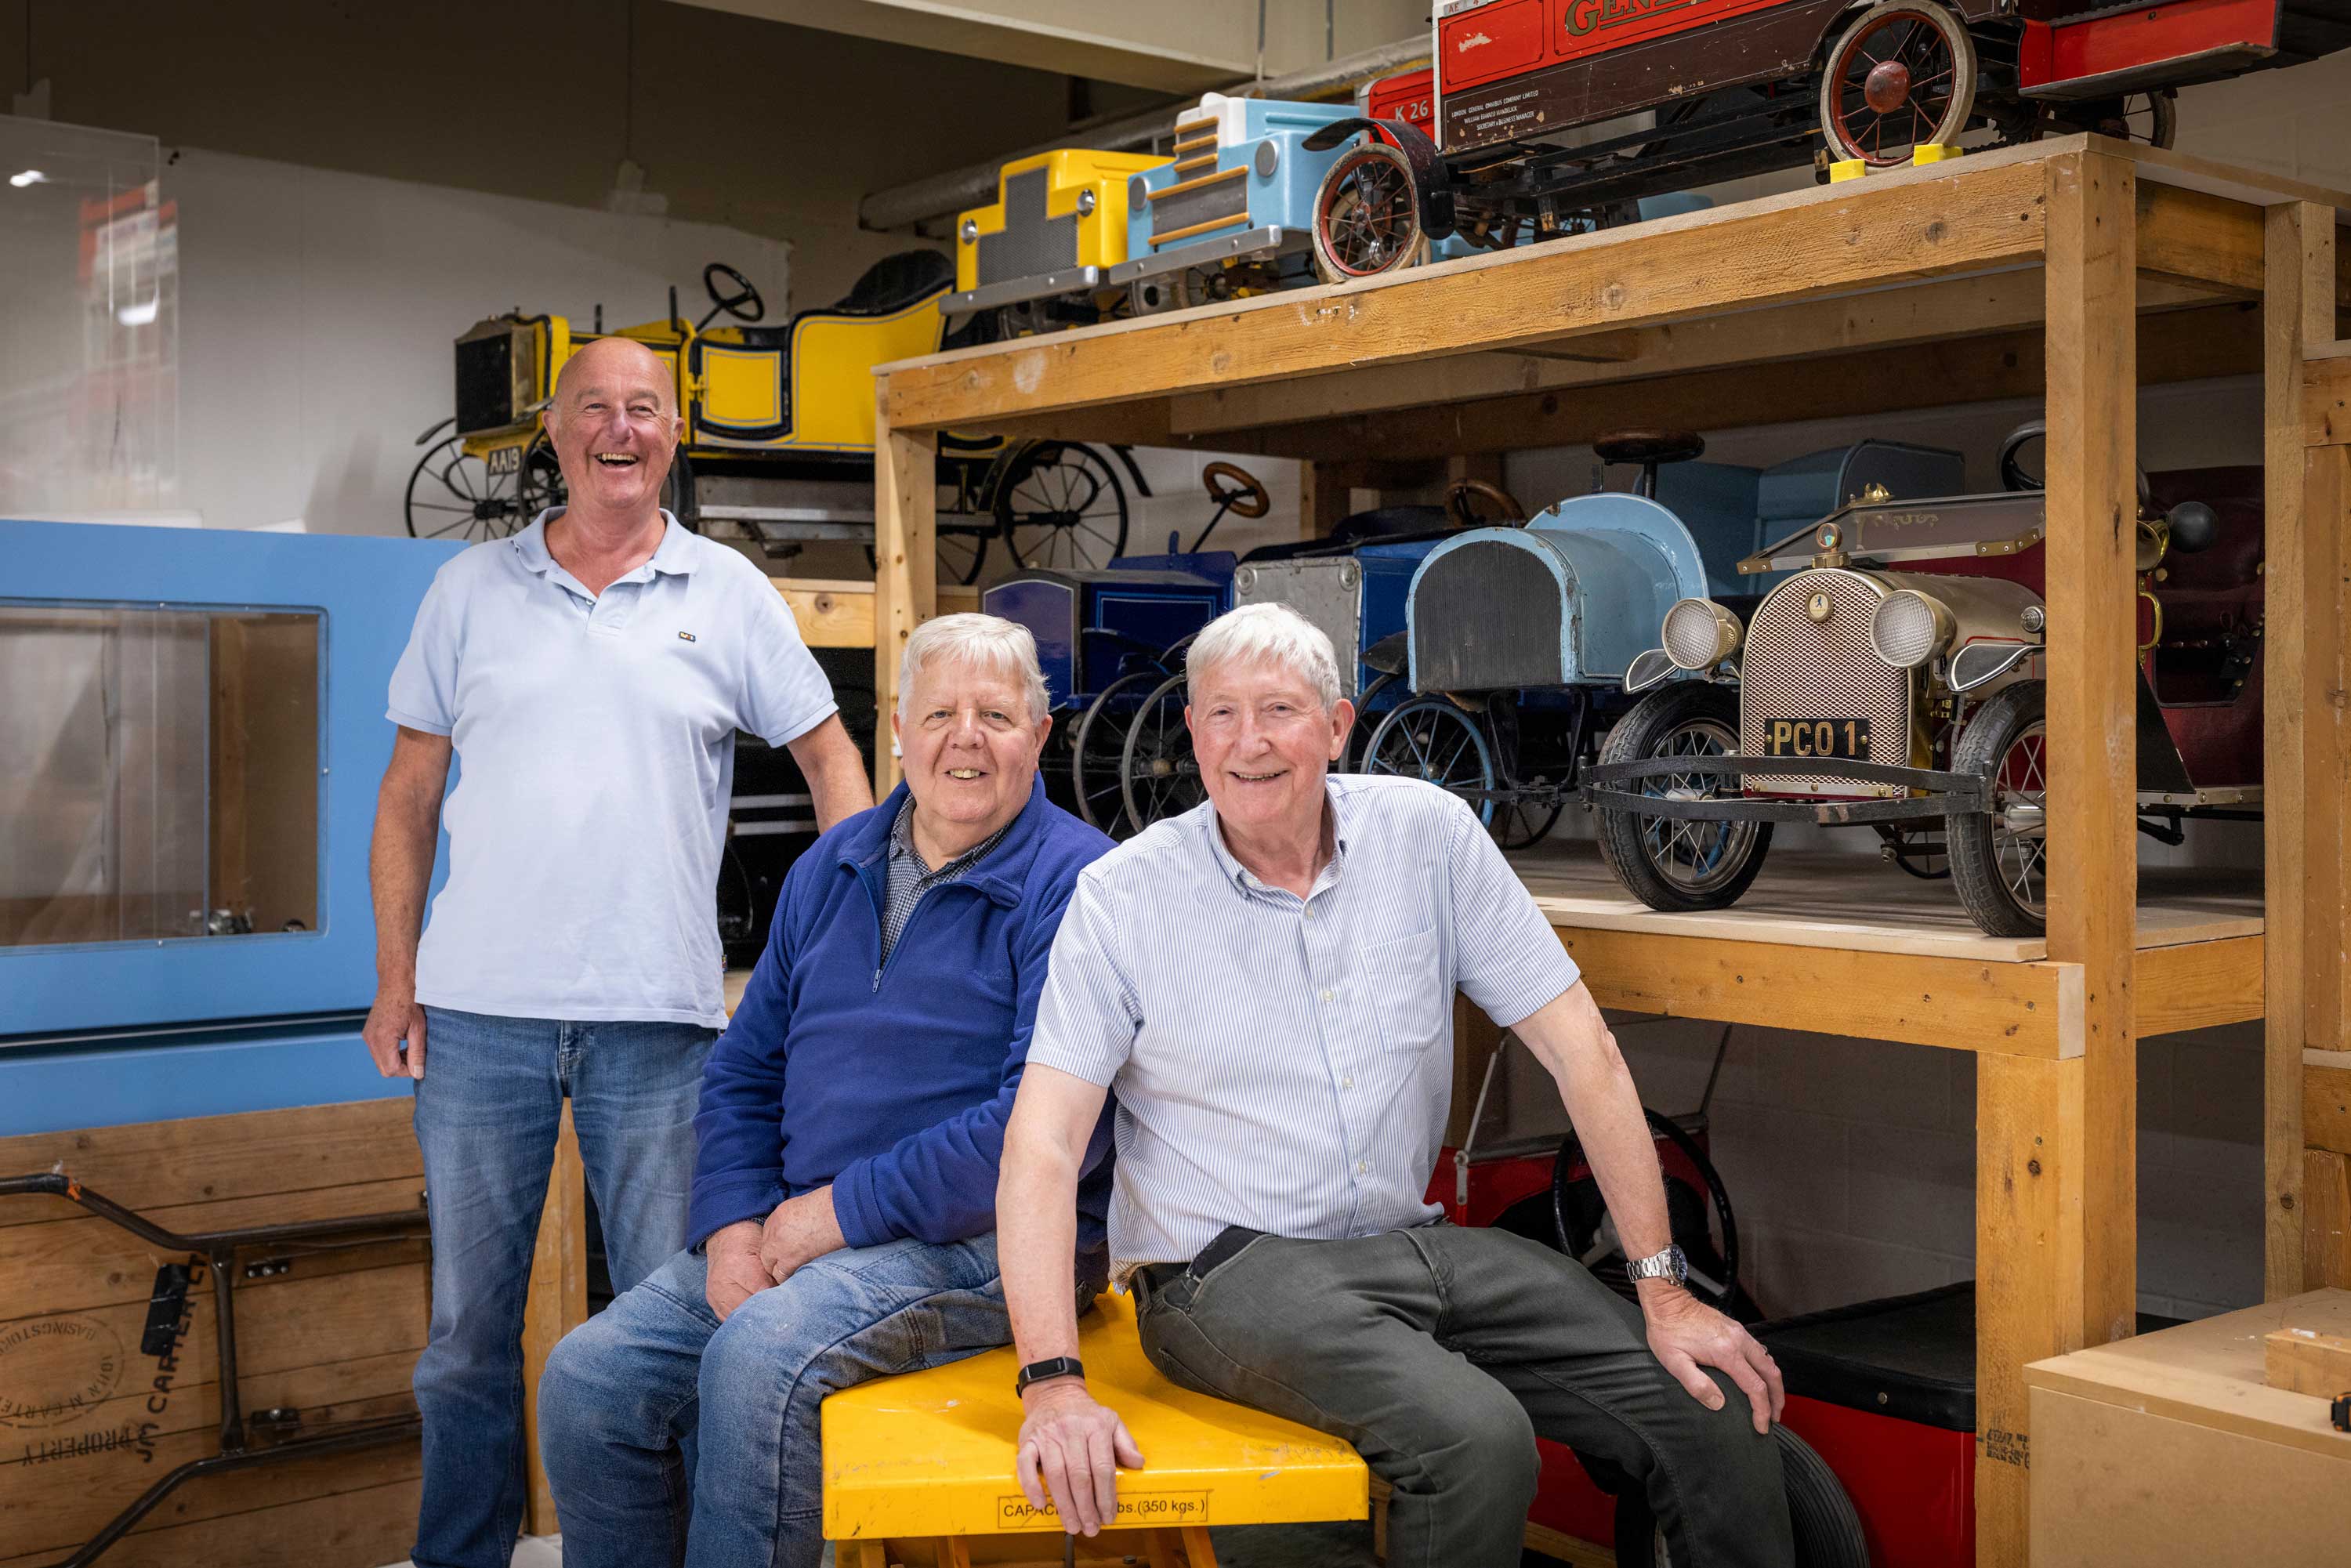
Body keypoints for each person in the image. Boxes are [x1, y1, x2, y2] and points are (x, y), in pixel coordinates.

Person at [995, 603, 1793, 1566]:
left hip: (1414, 1246)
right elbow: (1042, 1145)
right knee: (1475, 1442)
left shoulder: (1428, 834)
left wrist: (1664, 1292)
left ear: (1337, 726)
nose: (1249, 742)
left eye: (1280, 710)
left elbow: (1584, 1050)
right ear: (1193, 733)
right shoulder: (1124, 897)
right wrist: (1053, 1382)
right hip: (1225, 1276)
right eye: (1222, 715)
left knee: (1712, 1407)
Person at [364, 335, 874, 1568]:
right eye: (594, 406)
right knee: (465, 1339)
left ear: (674, 434)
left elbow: (832, 761)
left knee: (682, 1325)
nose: (621, 428)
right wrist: (395, 979)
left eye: (645, 407)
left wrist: (850, 951)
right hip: (477, 1017)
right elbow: (408, 797)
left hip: (661, 1021)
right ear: (553, 431)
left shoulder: (728, 591)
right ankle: (462, 1555)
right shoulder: (469, 591)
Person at [536, 613, 1115, 1568]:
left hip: (988, 1243)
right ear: (899, 729)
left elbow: (1039, 1131)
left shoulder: (1082, 884)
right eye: (940, 714)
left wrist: (834, 1215)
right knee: (588, 1380)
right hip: (798, 1230)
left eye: (996, 716)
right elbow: (744, 1071)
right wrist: (733, 1229)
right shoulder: (833, 864)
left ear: (1041, 734)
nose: (964, 739)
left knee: (759, 1358)